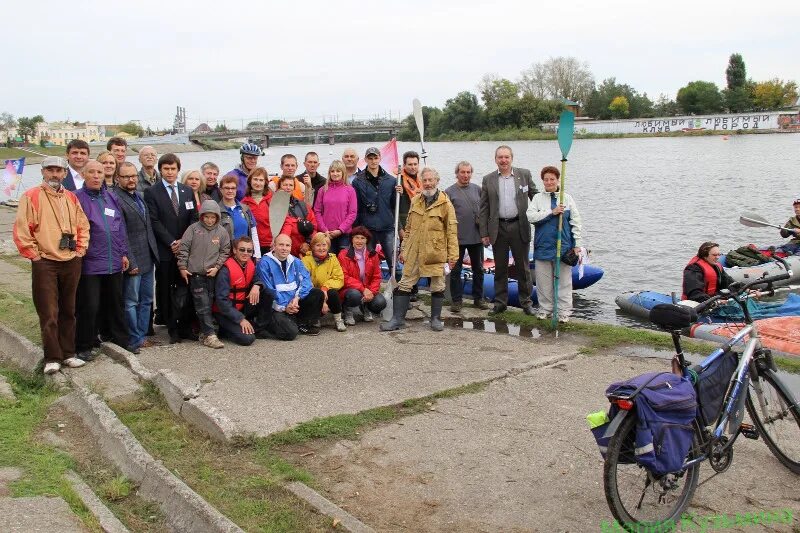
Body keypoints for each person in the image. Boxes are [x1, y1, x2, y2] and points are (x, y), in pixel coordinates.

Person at [13, 156, 89, 374]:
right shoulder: (31, 196)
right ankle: (52, 357)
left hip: (70, 260)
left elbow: (83, 226)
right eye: (50, 170)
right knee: (48, 311)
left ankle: (68, 353)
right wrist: (34, 256)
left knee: (69, 309)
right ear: (43, 172)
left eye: (59, 170)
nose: (54, 174)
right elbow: (21, 230)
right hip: (45, 261)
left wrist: (80, 251)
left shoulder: (71, 198)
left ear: (65, 173)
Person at [382, 167, 458, 332]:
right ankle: (398, 319)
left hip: (436, 252)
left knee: (437, 285)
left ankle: (436, 319)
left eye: (431, 180)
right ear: (421, 182)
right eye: (425, 180)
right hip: (414, 250)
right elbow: (408, 228)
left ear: (437, 181)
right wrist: (403, 249)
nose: (428, 183)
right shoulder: (416, 200)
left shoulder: (446, 204)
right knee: (404, 284)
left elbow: (452, 231)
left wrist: (453, 256)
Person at [74, 161, 130, 358]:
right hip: (91, 262)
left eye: (100, 172)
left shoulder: (111, 197)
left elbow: (120, 226)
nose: (97, 176)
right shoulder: (76, 199)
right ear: (83, 174)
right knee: (89, 305)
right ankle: (84, 345)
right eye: (92, 172)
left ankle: (119, 339)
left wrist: (123, 253)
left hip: (113, 259)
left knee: (115, 302)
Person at [143, 153, 198, 344]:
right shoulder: (152, 192)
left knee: (186, 287)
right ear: (160, 170)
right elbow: (154, 220)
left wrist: (183, 241)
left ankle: (185, 326)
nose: (169, 172)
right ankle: (171, 328)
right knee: (166, 290)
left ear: (178, 169)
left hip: (186, 249)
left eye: (173, 168)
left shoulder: (187, 191)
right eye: (166, 169)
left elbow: (194, 218)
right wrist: (171, 242)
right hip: (166, 251)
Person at [478, 145, 538, 316]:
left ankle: (526, 303)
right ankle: (500, 303)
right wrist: (484, 233)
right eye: (500, 157)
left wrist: (551, 202)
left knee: (523, 267)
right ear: (495, 159)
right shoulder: (488, 179)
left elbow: (536, 196)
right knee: (500, 268)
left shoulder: (524, 175)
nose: (503, 160)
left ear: (512, 158)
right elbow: (483, 208)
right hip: (498, 229)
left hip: (519, 226)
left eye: (506, 157)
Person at [113, 162, 160, 351]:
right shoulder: (115, 198)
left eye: (133, 176)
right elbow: (121, 234)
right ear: (118, 179)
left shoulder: (139, 197)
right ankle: (133, 339)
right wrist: (130, 260)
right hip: (133, 260)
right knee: (131, 301)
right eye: (126, 176)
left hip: (148, 258)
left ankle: (141, 336)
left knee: (147, 300)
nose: (131, 179)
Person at [527, 166, 583, 322]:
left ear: (558, 180)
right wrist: (551, 212)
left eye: (552, 179)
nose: (549, 182)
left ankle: (564, 312)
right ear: (543, 181)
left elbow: (576, 222)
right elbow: (531, 217)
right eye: (546, 179)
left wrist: (577, 243)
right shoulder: (538, 198)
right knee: (544, 282)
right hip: (543, 246)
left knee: (564, 282)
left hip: (563, 246)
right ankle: (545, 309)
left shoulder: (567, 198)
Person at [177, 200, 230, 349]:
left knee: (211, 303)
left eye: (213, 217)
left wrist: (217, 267)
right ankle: (209, 335)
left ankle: (205, 330)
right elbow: (184, 248)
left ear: (217, 217)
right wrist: (182, 266)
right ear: (201, 216)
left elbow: (225, 251)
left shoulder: (221, 232)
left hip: (212, 274)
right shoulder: (193, 229)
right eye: (206, 217)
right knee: (203, 305)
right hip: (196, 275)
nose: (209, 220)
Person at [256, 233, 324, 338]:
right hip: (276, 307)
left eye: (287, 245)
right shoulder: (264, 263)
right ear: (274, 245)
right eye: (281, 245)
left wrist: (297, 298)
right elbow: (270, 291)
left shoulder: (295, 261)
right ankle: (268, 324)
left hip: (293, 304)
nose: (284, 248)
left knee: (317, 293)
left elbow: (306, 281)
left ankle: (302, 323)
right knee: (291, 333)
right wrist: (284, 308)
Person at [213, 236, 274, 346]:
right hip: (224, 313)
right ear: (235, 250)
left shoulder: (250, 264)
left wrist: (257, 285)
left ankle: (258, 328)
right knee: (247, 339)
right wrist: (240, 319)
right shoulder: (225, 270)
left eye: (249, 250)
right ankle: (225, 329)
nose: (246, 253)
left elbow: (257, 279)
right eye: (242, 249)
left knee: (268, 293)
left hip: (242, 307)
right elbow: (222, 302)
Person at [445, 161, 488, 312]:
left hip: (476, 237)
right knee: (456, 271)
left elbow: (485, 211)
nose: (465, 175)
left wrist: (486, 232)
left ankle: (479, 298)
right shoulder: (449, 192)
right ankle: (457, 301)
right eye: (462, 172)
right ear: (457, 173)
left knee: (479, 269)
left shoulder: (478, 190)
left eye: (468, 172)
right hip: (457, 238)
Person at [352, 147, 398, 272]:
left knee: (392, 261)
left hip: (387, 226)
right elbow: (357, 206)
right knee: (368, 261)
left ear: (380, 158)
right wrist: (356, 228)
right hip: (367, 227)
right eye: (370, 158)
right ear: (366, 159)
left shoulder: (392, 181)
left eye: (375, 158)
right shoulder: (357, 181)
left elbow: (394, 205)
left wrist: (400, 193)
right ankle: (370, 286)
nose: (373, 161)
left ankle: (397, 286)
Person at [337, 226, 387, 324]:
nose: (359, 241)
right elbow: (344, 277)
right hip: (349, 289)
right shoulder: (343, 254)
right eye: (357, 237)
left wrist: (371, 292)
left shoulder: (373, 254)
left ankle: (365, 307)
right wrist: (363, 289)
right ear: (352, 239)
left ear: (367, 240)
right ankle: (347, 309)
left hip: (368, 289)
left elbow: (377, 276)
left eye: (362, 238)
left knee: (380, 303)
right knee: (354, 295)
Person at [302, 233, 347, 331]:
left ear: (328, 246)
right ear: (312, 247)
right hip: (312, 292)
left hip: (327, 291)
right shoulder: (306, 260)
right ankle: (315, 319)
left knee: (333, 293)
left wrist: (325, 287)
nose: (321, 248)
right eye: (318, 245)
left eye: (324, 245)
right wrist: (322, 299)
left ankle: (338, 319)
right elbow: (305, 281)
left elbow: (339, 279)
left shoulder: (333, 259)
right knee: (315, 295)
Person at [313, 160, 357, 252]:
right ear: (329, 173)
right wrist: (324, 229)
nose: (335, 173)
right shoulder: (323, 190)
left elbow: (352, 213)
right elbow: (317, 211)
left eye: (338, 171)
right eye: (332, 171)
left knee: (343, 263)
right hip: (326, 234)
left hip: (344, 234)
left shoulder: (350, 190)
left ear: (343, 173)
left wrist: (340, 230)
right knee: (328, 262)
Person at [398, 151, 422, 301]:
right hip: (405, 225)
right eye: (410, 164)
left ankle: (416, 288)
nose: (413, 167)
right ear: (404, 165)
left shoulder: (421, 180)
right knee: (407, 258)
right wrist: (400, 228)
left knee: (418, 258)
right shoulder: (398, 181)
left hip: (420, 224)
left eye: (415, 164)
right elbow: (394, 207)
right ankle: (408, 288)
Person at [275, 175, 317, 257]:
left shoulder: (302, 205)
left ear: (294, 188)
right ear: (279, 188)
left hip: (302, 250)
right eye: (285, 185)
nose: (288, 187)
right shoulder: (273, 205)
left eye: (290, 185)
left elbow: (313, 225)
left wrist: (308, 243)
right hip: (282, 249)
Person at [218, 174, 257, 249]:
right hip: (225, 254)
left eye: (233, 188)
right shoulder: (216, 210)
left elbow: (253, 231)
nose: (230, 191)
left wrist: (257, 254)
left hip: (244, 253)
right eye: (227, 188)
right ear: (221, 190)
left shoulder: (245, 209)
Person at [241, 167, 272, 256]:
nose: (258, 183)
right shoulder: (244, 203)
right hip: (252, 245)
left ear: (265, 182)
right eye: (255, 179)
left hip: (271, 244)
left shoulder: (272, 200)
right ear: (250, 180)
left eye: (261, 180)